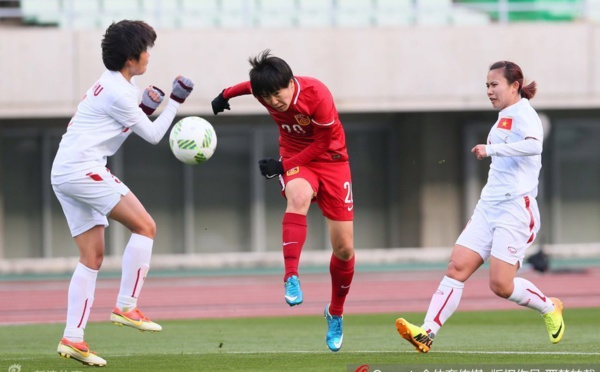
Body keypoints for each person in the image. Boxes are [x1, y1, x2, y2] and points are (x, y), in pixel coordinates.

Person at [51, 20, 194, 366]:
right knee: (146, 227)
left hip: (66, 170)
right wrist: (175, 101)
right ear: (132, 58)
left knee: (92, 258)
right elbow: (156, 136)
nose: (149, 55)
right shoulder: (118, 92)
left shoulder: (113, 86)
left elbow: (113, 137)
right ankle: (126, 306)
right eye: (146, 49)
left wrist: (143, 109)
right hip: (83, 168)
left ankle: (73, 338)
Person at [395, 61, 564, 353]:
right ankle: (427, 333)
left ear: (514, 86)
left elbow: (535, 146)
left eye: (494, 84)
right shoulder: (504, 116)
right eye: (487, 85)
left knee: (501, 285)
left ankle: (550, 307)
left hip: (515, 209)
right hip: (489, 207)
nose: (489, 91)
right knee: (456, 267)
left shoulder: (525, 113)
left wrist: (491, 149)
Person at [211, 49, 355, 352]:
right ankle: (291, 276)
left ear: (291, 82)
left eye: (278, 94)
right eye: (268, 97)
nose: (274, 102)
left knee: (344, 249)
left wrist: (281, 167)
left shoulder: (317, 95)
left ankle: (336, 313)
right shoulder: (263, 90)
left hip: (332, 158)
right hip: (295, 157)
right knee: (298, 195)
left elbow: (323, 142)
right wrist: (224, 96)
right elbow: (247, 87)